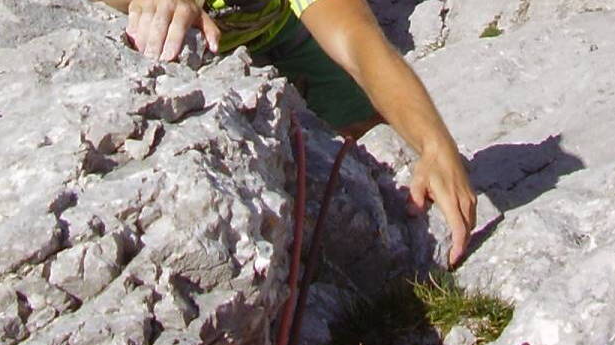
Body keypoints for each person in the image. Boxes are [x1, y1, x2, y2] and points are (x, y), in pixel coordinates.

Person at [102, 0, 477, 267]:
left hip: (282, 30)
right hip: (204, 53)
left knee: (376, 132)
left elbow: (355, 36)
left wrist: (434, 143)